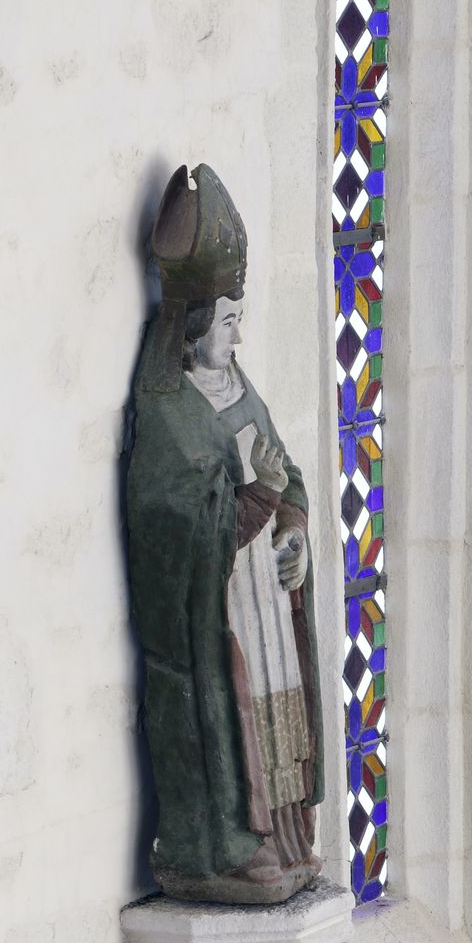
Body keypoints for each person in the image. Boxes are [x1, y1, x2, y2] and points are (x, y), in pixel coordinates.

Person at [125, 164, 323, 905]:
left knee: (275, 709)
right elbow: (175, 528)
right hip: (216, 615)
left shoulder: (240, 387)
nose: (240, 333)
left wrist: (292, 528)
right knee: (228, 713)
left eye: (241, 317)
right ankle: (231, 850)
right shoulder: (169, 409)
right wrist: (259, 496)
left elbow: (286, 471)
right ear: (195, 323)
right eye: (230, 320)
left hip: (263, 597)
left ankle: (287, 838)